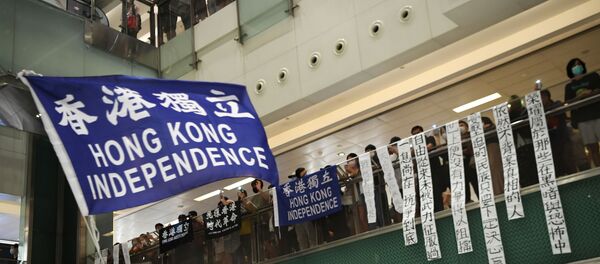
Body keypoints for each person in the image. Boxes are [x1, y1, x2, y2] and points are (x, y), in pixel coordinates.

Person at [564, 58, 600, 167]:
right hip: (583, 119)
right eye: (574, 66)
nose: (577, 67)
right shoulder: (569, 86)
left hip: (598, 114)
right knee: (592, 147)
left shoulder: (593, 76)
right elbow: (568, 102)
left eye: (579, 64)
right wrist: (580, 97)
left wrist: (590, 93)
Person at [541, 90, 577, 176]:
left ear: (547, 97)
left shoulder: (556, 104)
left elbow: (559, 109)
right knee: (557, 160)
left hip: (562, 136)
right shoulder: (540, 110)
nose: (541, 99)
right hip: (551, 140)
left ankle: (574, 176)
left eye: (542, 97)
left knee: (567, 158)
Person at [508, 95, 538, 187]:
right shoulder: (509, 116)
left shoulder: (525, 112)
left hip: (527, 142)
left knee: (531, 167)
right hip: (519, 144)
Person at [481, 117, 504, 195]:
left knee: (495, 170)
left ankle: (499, 191)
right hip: (489, 151)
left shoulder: (491, 130)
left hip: (492, 149)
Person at [459, 120, 479, 203]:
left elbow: (471, 148)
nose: (460, 127)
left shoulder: (472, 135)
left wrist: (463, 151)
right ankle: (467, 201)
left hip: (472, 162)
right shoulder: (455, 140)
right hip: (462, 164)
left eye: (462, 125)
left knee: (476, 182)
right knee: (464, 184)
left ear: (466, 127)